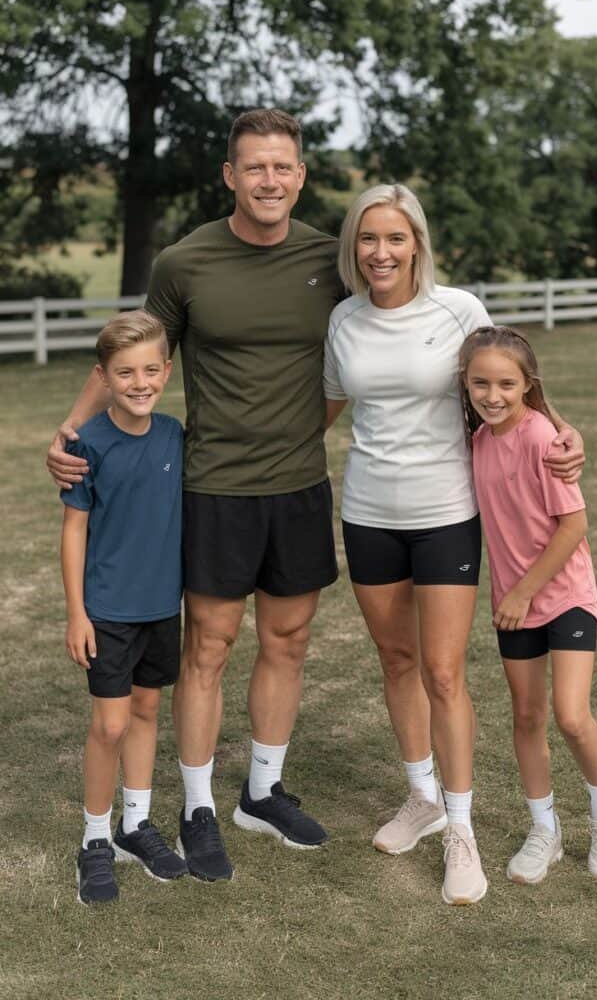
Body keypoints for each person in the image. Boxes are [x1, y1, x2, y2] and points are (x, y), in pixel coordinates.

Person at [48, 108, 344, 880]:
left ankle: (263, 792)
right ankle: (200, 806)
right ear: (229, 175)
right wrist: (68, 431)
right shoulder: (186, 262)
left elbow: (382, 340)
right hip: (214, 489)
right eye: (254, 167)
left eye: (282, 166)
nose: (269, 180)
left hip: (301, 487)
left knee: (287, 643)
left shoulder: (330, 257)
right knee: (207, 651)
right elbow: (129, 351)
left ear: (300, 174)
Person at [323, 185, 585, 905]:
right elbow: (326, 405)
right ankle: (421, 798)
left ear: (417, 244)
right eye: (368, 239)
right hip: (368, 511)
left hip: (445, 514)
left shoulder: (459, 309)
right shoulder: (341, 319)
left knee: (441, 672)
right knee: (396, 659)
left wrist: (564, 432)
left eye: (395, 238)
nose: (381, 252)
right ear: (354, 246)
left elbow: (514, 381)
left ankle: (461, 829)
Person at [459, 324, 597, 883]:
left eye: (506, 383)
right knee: (527, 717)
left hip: (563, 596)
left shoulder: (543, 439)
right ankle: (545, 831)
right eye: (480, 382)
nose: (492, 395)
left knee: (570, 714)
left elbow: (573, 524)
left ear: (527, 385)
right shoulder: (478, 441)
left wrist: (524, 591)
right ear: (464, 383)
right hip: (515, 606)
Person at [61, 311, 187, 905]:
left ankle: (136, 825)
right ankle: (94, 839)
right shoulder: (88, 445)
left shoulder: (173, 435)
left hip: (163, 606)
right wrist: (76, 612)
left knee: (144, 713)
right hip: (107, 608)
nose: (140, 382)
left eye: (150, 370)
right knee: (109, 724)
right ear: (104, 377)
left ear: (166, 370)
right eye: (125, 372)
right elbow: (74, 532)